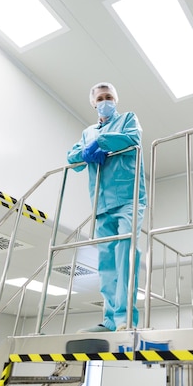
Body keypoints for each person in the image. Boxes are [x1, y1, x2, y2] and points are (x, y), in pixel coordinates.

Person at [67, 82, 147, 332]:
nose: (105, 101)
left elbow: (133, 138)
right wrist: (87, 151)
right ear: (93, 103)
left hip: (127, 199)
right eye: (100, 98)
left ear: (116, 99)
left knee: (125, 257)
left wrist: (101, 142)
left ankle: (125, 320)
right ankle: (110, 320)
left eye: (109, 96)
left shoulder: (127, 119)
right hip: (101, 205)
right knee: (106, 264)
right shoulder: (87, 132)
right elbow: (72, 158)